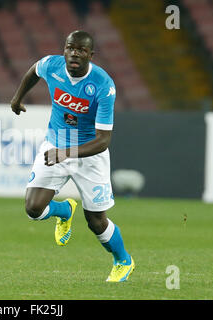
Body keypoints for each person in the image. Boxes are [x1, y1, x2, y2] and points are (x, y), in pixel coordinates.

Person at [10, 30, 134, 282]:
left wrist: (66, 154)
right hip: (54, 145)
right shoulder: (52, 65)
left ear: (90, 54)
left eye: (80, 49)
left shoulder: (103, 86)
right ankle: (64, 211)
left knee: (96, 222)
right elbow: (33, 71)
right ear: (64, 49)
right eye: (70, 47)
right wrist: (17, 98)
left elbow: (103, 141)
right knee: (33, 208)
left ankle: (123, 260)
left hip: (89, 155)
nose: (74, 53)